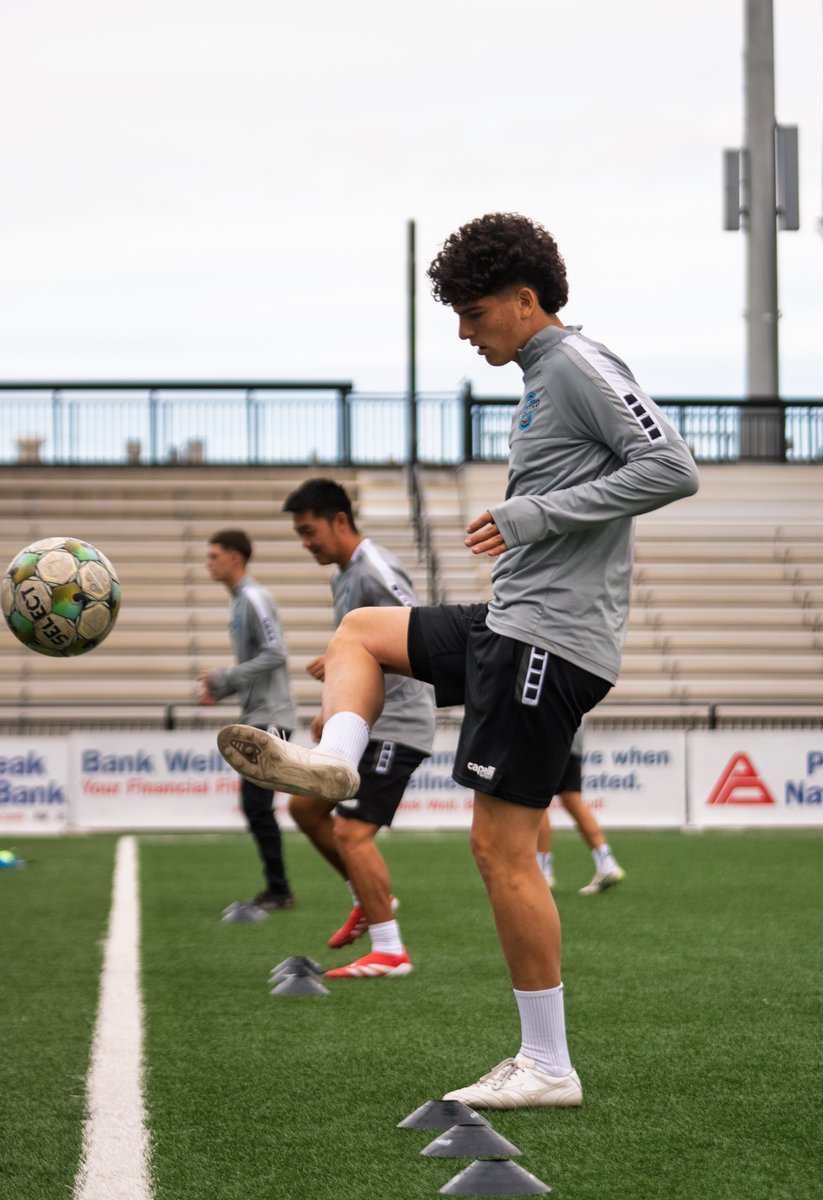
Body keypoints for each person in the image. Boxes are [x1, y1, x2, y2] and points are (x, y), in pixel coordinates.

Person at [218, 212, 699, 1107]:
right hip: (512, 620)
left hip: (548, 640)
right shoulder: (540, 375)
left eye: (474, 313)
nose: (464, 332)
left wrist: (532, 516)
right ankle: (334, 763)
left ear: (526, 300)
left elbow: (673, 466)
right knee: (362, 632)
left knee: (499, 847)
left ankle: (549, 1065)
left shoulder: (578, 363)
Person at [280, 477, 436, 978]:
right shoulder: (341, 575)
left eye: (309, 531)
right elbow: (364, 648)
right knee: (304, 807)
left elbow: (416, 630)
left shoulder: (373, 568)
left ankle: (390, 950)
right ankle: (369, 897)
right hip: (370, 720)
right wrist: (337, 692)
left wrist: (361, 667)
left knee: (351, 832)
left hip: (401, 721)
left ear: (339, 521)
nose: (306, 543)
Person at [200, 529, 297, 910]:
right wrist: (222, 689)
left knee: (258, 805)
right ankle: (277, 888)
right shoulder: (238, 602)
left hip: (271, 716)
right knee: (256, 806)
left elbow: (277, 653)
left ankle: (280, 890)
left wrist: (227, 677)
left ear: (235, 558)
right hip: (257, 714)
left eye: (214, 556)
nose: (208, 563)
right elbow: (254, 665)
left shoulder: (254, 598)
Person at [536, 723, 625, 895]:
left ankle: (542, 872)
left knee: (535, 799)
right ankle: (607, 863)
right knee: (571, 798)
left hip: (546, 731)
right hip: (571, 731)